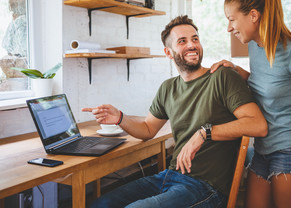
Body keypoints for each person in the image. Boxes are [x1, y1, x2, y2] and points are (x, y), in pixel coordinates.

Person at [83, 15, 267, 208]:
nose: (192, 45)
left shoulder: (222, 77)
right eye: (182, 41)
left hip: (205, 186)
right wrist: (120, 118)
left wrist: (205, 132)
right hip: (170, 176)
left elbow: (258, 124)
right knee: (101, 204)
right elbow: (147, 129)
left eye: (195, 39)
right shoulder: (168, 88)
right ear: (168, 52)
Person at [210, 0, 291, 208]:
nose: (229, 28)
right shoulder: (255, 47)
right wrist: (236, 70)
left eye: (231, 19)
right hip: (263, 149)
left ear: (253, 15)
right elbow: (263, 83)